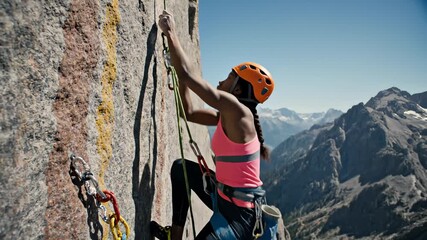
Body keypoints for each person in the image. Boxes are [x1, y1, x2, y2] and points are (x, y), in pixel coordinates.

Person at [151, 10, 275, 240]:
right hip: (224, 195)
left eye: (229, 76)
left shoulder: (238, 111)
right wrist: (180, 79)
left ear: (238, 88)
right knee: (181, 169)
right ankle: (174, 236)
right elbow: (186, 112)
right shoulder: (228, 118)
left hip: (239, 216)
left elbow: (188, 74)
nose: (221, 80)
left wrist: (172, 34)